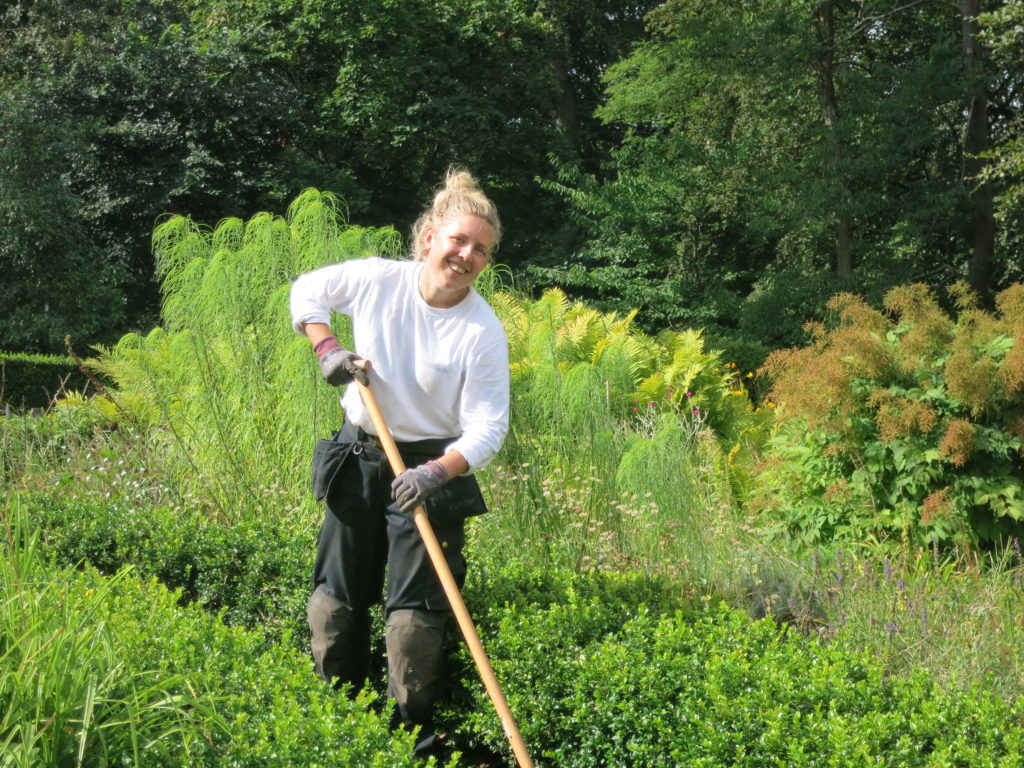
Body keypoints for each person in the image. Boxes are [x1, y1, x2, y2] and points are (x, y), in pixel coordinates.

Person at [289, 168, 510, 758]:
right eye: (459, 240)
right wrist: (327, 348)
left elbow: (489, 426)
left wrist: (436, 473)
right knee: (334, 597)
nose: (467, 256)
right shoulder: (377, 281)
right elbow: (307, 291)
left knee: (414, 618)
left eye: (481, 250)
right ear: (430, 235)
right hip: (361, 449)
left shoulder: (481, 331)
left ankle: (409, 736)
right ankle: (337, 720)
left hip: (430, 467)